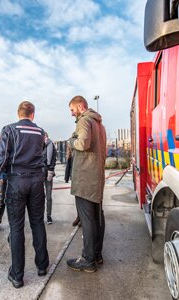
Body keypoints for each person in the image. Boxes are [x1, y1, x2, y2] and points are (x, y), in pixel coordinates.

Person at [0, 100, 49, 289]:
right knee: (38, 222)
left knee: (16, 228)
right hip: (37, 181)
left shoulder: (9, 129)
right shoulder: (40, 132)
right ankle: (42, 266)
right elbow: (42, 154)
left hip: (16, 181)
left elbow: (1, 157)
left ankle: (17, 275)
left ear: (18, 114)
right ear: (33, 114)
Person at [66, 95, 107, 273]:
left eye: (72, 110)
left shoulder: (84, 121)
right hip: (96, 176)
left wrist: (70, 142)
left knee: (88, 220)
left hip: (85, 178)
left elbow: (82, 143)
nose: (71, 114)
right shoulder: (100, 124)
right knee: (97, 217)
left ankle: (88, 259)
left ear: (81, 106)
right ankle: (97, 254)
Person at [43, 132, 56, 224]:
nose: (44, 138)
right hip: (39, 173)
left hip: (48, 172)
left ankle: (48, 215)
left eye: (45, 137)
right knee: (39, 196)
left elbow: (53, 159)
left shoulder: (51, 145)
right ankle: (39, 215)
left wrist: (51, 170)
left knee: (48, 196)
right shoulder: (39, 145)